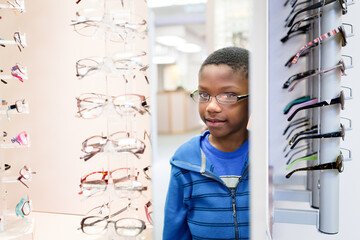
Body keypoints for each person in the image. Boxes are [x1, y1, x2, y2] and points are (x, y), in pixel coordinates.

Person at [163, 47, 250, 240]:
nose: (211, 106)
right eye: (204, 95)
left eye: (228, 95)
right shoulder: (184, 161)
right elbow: (174, 229)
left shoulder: (265, 155)